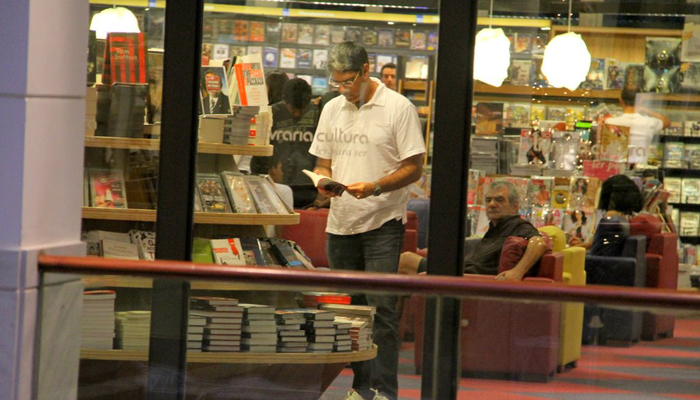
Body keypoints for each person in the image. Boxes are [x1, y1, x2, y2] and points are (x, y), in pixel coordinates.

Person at [308, 42, 426, 400]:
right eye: (336, 82)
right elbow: (322, 161)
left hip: (382, 223)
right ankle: (362, 390)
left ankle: (385, 391)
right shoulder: (332, 108)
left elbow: (414, 167)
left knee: (382, 311)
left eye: (347, 82)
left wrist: (375, 186)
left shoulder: (398, 108)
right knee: (351, 314)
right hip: (340, 223)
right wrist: (323, 182)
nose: (342, 89)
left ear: (365, 70)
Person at [398, 181, 548, 280]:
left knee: (405, 260)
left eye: (499, 200)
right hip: (462, 273)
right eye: (488, 200)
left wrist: (517, 272)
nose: (492, 204)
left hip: (471, 279)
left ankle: (390, 320)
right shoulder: (497, 227)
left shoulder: (518, 225)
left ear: (515, 206)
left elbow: (539, 242)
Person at [251, 78, 321, 208]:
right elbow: (259, 152)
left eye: (302, 109)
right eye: (293, 109)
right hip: (276, 186)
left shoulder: (317, 114)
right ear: (284, 101)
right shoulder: (270, 114)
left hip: (308, 189)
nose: (297, 114)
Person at [569, 174, 643, 256]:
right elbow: (597, 244)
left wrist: (568, 250)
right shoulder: (624, 218)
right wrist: (582, 245)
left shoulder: (611, 218)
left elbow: (598, 248)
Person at [605, 87, 670, 166]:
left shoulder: (609, 122)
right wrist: (645, 109)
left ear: (620, 101)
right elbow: (667, 122)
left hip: (615, 169)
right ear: (640, 101)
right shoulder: (649, 123)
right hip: (639, 170)